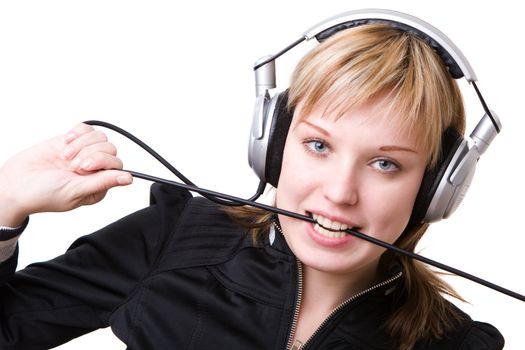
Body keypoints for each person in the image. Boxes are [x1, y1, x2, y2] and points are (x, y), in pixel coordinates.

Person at [0, 11, 505, 350]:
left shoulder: (454, 341)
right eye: (319, 145)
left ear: (439, 186)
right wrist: (3, 207)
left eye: (385, 164)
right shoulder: (171, 239)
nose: (339, 192)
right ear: (273, 144)